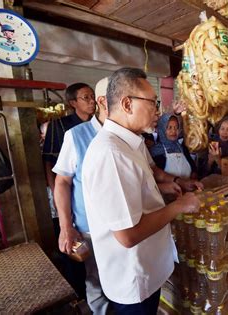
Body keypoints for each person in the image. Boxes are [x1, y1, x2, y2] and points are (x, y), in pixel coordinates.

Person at [81, 67, 202, 314]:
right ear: (127, 104)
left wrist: (171, 186)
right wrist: (179, 206)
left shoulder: (131, 142)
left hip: (147, 268)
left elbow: (142, 183)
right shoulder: (111, 153)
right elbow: (127, 235)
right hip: (132, 278)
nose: (157, 111)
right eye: (152, 103)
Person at [52, 77, 110, 314]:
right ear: (104, 102)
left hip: (127, 225)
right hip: (91, 227)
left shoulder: (128, 136)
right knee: (96, 280)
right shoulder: (76, 135)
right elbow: (62, 182)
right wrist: (66, 226)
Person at [43, 82, 96, 228]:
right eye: (86, 97)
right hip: (66, 183)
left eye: (93, 96)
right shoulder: (59, 125)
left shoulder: (97, 126)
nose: (92, 101)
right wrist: (55, 191)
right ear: (73, 103)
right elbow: (48, 160)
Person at [150, 113, 198, 180]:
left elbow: (193, 169)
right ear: (162, 130)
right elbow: (156, 178)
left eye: (176, 127)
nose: (173, 131)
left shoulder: (182, 149)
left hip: (190, 189)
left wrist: (193, 176)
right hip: (169, 190)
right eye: (169, 128)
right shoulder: (156, 151)